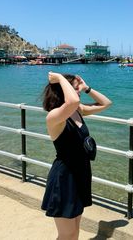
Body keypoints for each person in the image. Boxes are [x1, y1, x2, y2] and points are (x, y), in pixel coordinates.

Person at [41, 71, 112, 240]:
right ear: (62, 90)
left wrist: (87, 88)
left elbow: (106, 103)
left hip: (80, 173)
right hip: (64, 177)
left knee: (75, 231)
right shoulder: (54, 116)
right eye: (74, 88)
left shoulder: (77, 111)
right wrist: (58, 78)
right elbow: (72, 101)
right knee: (67, 234)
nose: (77, 91)